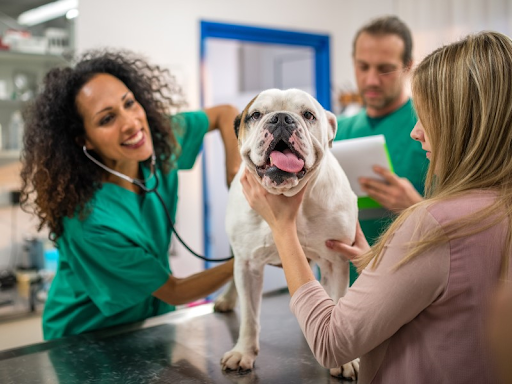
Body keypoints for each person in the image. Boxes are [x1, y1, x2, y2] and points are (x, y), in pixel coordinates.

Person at [241, 31, 512, 383]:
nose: (416, 132)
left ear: (467, 124)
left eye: (429, 116)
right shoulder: (497, 207)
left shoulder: (433, 222)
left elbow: (331, 343)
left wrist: (282, 228)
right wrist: (374, 260)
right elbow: (450, 290)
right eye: (362, 66)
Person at [20, 50, 240, 340]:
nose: (132, 123)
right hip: (86, 337)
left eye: (129, 103)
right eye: (107, 118)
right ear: (84, 140)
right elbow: (174, 290)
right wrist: (251, 257)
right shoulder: (88, 219)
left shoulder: (159, 140)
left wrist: (234, 172)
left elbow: (226, 114)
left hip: (150, 321)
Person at [334, 16, 429, 284]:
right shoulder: (335, 130)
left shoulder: (431, 129)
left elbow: (466, 228)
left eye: (385, 69)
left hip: (408, 287)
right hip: (338, 287)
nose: (371, 80)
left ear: (408, 66)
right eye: (363, 67)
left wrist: (415, 208)